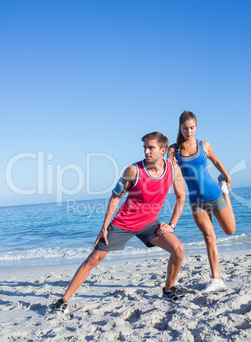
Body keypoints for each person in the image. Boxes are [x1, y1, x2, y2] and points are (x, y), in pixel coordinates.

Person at [52, 132, 186, 313]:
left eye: (150, 147)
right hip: (124, 223)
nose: (146, 151)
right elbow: (115, 198)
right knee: (94, 259)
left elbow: (181, 197)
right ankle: (64, 300)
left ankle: (168, 289)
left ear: (162, 150)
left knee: (178, 249)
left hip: (149, 224)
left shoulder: (173, 170)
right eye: (144, 147)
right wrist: (105, 227)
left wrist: (172, 224)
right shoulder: (133, 170)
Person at [168, 111, 236, 292]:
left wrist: (227, 177)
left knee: (230, 231)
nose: (188, 131)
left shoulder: (204, 145)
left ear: (196, 127)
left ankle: (226, 193)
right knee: (209, 238)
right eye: (185, 128)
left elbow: (215, 161)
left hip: (214, 194)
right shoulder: (173, 149)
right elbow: (168, 169)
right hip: (196, 201)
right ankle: (216, 279)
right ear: (180, 128)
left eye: (191, 128)